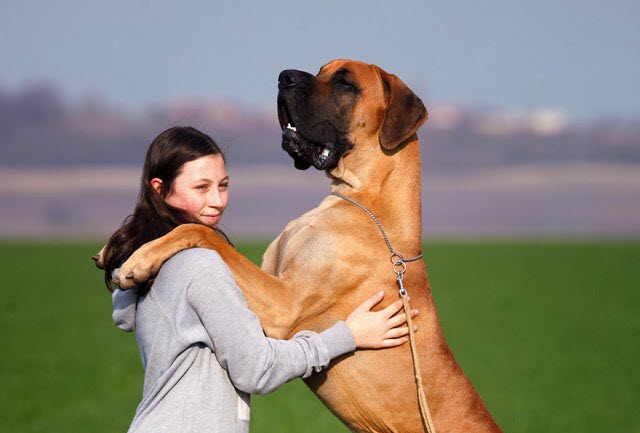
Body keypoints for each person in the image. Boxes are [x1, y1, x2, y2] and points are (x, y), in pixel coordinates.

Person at [101, 126, 418, 433]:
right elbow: (258, 369)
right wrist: (348, 335)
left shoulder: (156, 265)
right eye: (201, 188)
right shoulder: (198, 265)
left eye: (223, 185)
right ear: (160, 189)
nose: (218, 200)